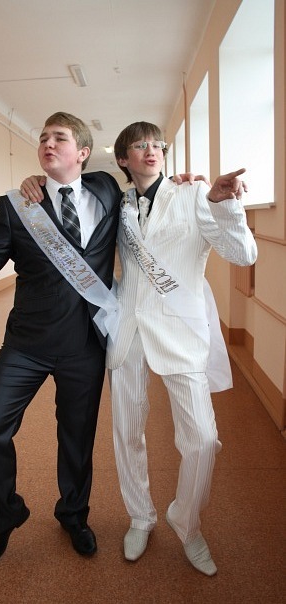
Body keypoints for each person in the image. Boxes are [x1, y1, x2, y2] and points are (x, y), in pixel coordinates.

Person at [0, 111, 123, 567]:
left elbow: (142, 184)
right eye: (43, 139)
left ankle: (73, 515)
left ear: (82, 152)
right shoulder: (16, 205)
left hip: (84, 344)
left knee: (77, 437)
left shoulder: (107, 190)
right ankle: (5, 517)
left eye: (60, 138)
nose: (48, 144)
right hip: (27, 343)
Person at [105, 121, 258, 576]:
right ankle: (140, 516)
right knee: (127, 432)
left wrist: (224, 204)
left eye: (157, 144)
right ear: (123, 159)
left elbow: (243, 254)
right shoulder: (117, 204)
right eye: (140, 145)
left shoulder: (193, 195)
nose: (151, 150)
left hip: (179, 330)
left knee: (203, 439)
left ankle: (186, 521)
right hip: (128, 329)